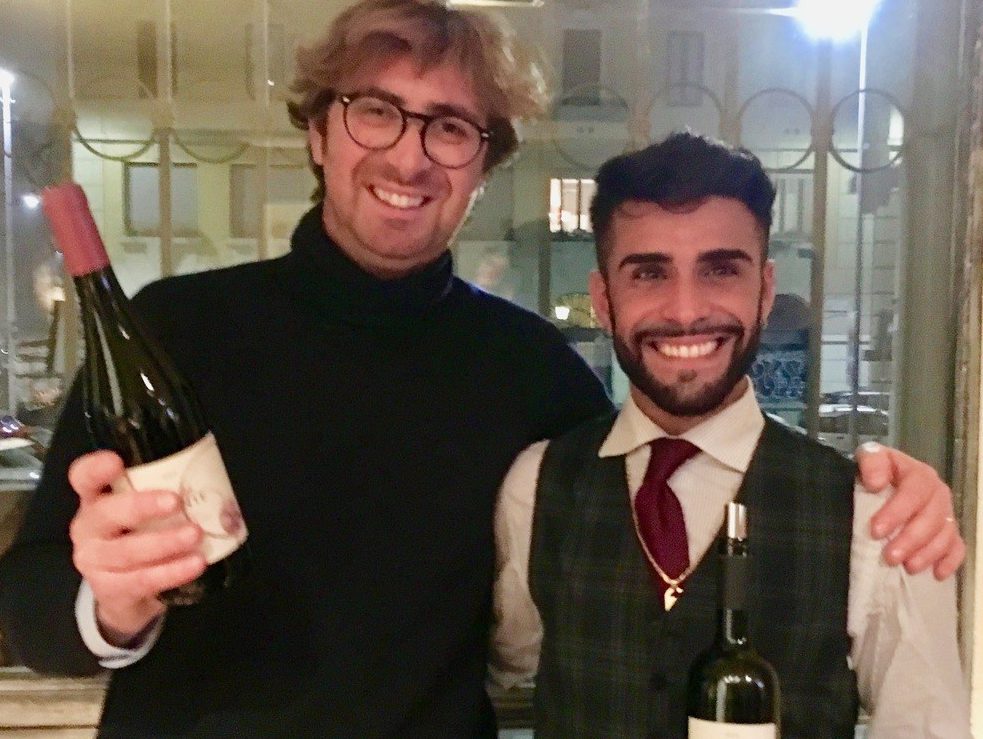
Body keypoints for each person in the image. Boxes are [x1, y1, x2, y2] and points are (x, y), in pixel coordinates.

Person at [0, 1, 962, 735]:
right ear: (319, 132)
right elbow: (32, 604)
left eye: (451, 127)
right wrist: (110, 601)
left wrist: (882, 490)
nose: (410, 156)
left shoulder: (530, 370)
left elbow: (670, 466)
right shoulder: (175, 329)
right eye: (376, 111)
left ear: (481, 166)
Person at [489, 132, 971, 738]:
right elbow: (486, 667)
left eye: (720, 270)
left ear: (764, 292)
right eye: (649, 273)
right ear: (603, 301)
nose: (686, 311)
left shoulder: (876, 515)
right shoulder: (536, 486)